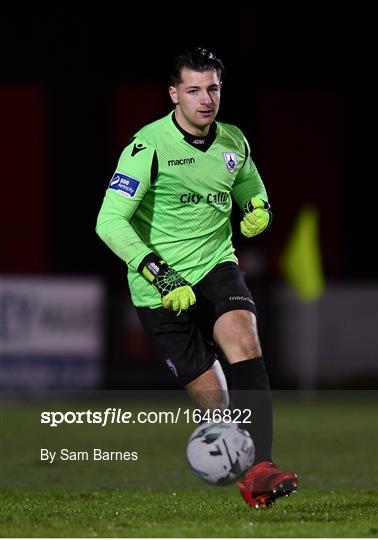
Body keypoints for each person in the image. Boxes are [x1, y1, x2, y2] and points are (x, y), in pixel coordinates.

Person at [96, 46, 298, 509]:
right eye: (193, 89)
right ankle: (241, 465)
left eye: (213, 89)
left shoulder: (233, 142)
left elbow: (251, 187)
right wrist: (159, 274)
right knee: (216, 401)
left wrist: (260, 211)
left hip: (215, 266)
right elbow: (108, 222)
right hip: (157, 285)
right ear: (174, 94)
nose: (205, 99)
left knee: (244, 340)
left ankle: (261, 467)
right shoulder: (146, 148)